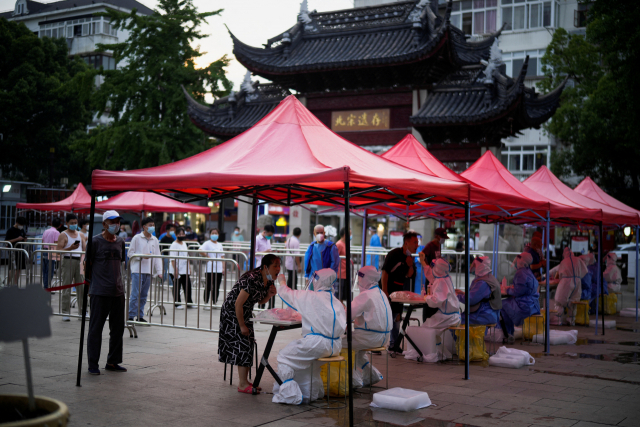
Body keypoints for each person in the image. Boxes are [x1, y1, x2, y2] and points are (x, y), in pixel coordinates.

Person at [272, 268, 347, 404]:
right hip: (335, 345)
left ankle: (291, 395)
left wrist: (282, 281)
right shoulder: (336, 301)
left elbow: (287, 294)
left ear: (317, 281)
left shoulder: (311, 296)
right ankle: (311, 393)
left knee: (284, 356)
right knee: (310, 364)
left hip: (317, 343)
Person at [218, 254, 278, 393]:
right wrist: (242, 325)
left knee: (248, 343)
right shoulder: (252, 279)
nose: (278, 269)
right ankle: (243, 384)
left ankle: (245, 382)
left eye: (279, 265)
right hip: (232, 311)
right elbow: (238, 303)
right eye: (275, 265)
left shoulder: (268, 280)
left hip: (245, 312)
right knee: (242, 343)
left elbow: (260, 301)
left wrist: (269, 294)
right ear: (265, 267)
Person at [86, 210, 127, 375]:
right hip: (99, 291)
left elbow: (121, 264)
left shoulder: (121, 242)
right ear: (104, 224)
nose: (115, 225)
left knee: (117, 329)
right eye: (112, 222)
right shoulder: (95, 242)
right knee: (96, 328)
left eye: (117, 221)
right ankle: (93, 364)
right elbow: (87, 265)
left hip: (118, 291)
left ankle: (113, 361)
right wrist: (89, 286)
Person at [349, 266, 391, 388]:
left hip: (370, 337)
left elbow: (347, 315)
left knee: (339, 345)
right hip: (384, 338)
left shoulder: (365, 295)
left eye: (360, 278)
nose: (358, 282)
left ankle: (352, 380)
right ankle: (372, 375)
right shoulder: (381, 293)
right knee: (359, 352)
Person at [382, 231, 419, 352]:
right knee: (386, 317)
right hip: (388, 288)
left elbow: (409, 275)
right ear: (406, 243)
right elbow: (385, 273)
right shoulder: (394, 254)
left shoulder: (410, 258)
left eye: (417, 243)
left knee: (398, 316)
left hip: (399, 291)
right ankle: (379, 343)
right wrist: (385, 291)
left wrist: (410, 265)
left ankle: (394, 344)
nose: (417, 245)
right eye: (415, 242)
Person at [127, 217, 162, 323]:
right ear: (144, 227)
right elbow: (130, 254)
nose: (152, 227)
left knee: (144, 295)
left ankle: (140, 315)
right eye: (150, 225)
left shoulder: (154, 240)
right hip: (138, 270)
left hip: (149, 270)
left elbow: (157, 256)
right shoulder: (137, 238)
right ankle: (131, 315)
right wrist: (141, 256)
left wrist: (159, 271)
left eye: (153, 225)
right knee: (135, 293)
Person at [500, 252, 540, 342]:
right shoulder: (528, 271)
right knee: (505, 304)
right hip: (532, 305)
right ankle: (509, 332)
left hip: (524, 306)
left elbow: (518, 292)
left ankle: (507, 333)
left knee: (501, 305)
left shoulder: (520, 273)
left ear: (521, 261)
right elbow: (523, 288)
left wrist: (507, 290)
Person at [57, 213, 87, 321]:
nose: (74, 225)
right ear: (66, 223)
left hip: (79, 261)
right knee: (66, 286)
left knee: (82, 288)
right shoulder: (63, 235)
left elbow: (84, 249)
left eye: (75, 223)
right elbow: (58, 250)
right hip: (68, 261)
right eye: (72, 223)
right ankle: (65, 312)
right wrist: (70, 248)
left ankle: (83, 311)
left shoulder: (81, 235)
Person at [460, 257, 501, 325]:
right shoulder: (488, 277)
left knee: (456, 320)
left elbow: (471, 299)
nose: (472, 267)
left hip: (483, 314)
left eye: (475, 265)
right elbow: (476, 295)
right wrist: (462, 294)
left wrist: (457, 295)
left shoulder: (482, 282)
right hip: (488, 313)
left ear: (480, 267)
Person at [553, 247, 587, 325]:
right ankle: (571, 320)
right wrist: (578, 277)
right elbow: (585, 270)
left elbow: (559, 273)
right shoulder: (579, 260)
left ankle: (556, 319)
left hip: (566, 281)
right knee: (573, 301)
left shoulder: (564, 261)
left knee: (559, 301)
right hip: (578, 282)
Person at [420, 227, 447, 321]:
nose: (443, 240)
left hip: (438, 277)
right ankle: (427, 319)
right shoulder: (430, 245)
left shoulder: (438, 245)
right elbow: (422, 255)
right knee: (430, 298)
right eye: (442, 237)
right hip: (431, 277)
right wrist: (428, 268)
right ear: (437, 236)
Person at [199, 228, 225, 308]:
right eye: (213, 233)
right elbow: (199, 250)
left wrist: (223, 267)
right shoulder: (207, 243)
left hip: (219, 268)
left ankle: (214, 302)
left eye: (216, 233)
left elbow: (222, 256)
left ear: (218, 234)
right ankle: (206, 303)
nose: (214, 234)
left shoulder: (220, 244)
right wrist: (207, 255)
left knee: (217, 286)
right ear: (210, 234)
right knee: (208, 286)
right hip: (210, 268)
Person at [169, 227, 193, 309]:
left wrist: (189, 268)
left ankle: (189, 302)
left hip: (184, 269)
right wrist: (175, 270)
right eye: (179, 234)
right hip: (176, 269)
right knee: (177, 287)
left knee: (188, 286)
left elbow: (187, 256)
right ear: (176, 235)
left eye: (183, 234)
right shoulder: (174, 245)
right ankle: (177, 303)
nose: (181, 235)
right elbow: (172, 259)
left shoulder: (184, 243)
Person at [5, 216, 28, 285]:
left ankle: (15, 284)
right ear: (17, 222)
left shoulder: (22, 230)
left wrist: (24, 240)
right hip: (13, 252)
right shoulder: (10, 230)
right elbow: (7, 241)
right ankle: (8, 284)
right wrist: (17, 239)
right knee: (12, 268)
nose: (21, 226)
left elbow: (23, 238)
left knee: (19, 268)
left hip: (21, 251)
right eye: (21, 224)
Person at [41, 218, 61, 290]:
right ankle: (47, 286)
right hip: (52, 250)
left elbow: (42, 241)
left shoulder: (46, 231)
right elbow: (56, 243)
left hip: (44, 250)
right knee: (50, 270)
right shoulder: (57, 232)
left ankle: (45, 285)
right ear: (59, 225)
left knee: (45, 269)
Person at [334, 227, 351, 301]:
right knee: (339, 296)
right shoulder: (339, 244)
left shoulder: (345, 244)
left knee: (343, 296)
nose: (350, 236)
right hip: (340, 274)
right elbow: (335, 258)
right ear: (345, 235)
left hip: (345, 273)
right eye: (349, 234)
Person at [160, 224, 176, 289]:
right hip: (165, 257)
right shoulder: (163, 239)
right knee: (165, 270)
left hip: (171, 256)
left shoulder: (172, 239)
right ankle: (161, 283)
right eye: (171, 230)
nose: (172, 231)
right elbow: (161, 249)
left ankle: (170, 284)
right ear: (167, 230)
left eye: (173, 230)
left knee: (170, 270)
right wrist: (162, 258)